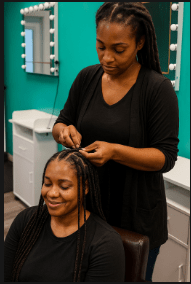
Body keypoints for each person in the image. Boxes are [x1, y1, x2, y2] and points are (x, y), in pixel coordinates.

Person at [52, 2, 179, 281]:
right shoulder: (87, 78)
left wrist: (114, 151)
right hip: (88, 210)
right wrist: (63, 132)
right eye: (101, 47)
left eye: (118, 49)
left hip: (135, 214)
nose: (107, 57)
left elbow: (166, 157)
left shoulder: (157, 88)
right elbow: (61, 122)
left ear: (140, 43)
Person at [4, 149, 125, 282]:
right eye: (47, 183)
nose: (52, 193)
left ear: (85, 187)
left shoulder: (105, 244)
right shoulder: (26, 220)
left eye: (64, 187)